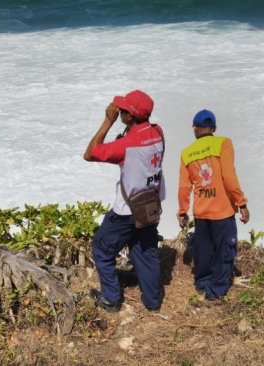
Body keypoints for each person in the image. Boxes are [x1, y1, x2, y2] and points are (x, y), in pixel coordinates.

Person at [83, 90, 165, 312]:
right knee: (145, 251)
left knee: (102, 249)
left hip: (126, 210)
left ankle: (110, 299)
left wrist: (108, 121)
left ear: (130, 116)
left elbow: (90, 153)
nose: (118, 111)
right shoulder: (158, 133)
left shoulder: (126, 146)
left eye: (123, 110)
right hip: (151, 205)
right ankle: (152, 301)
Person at [177, 109, 249, 301]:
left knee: (203, 251)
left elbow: (185, 186)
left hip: (201, 212)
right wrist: (241, 203)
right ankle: (216, 291)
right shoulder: (223, 143)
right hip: (223, 211)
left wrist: (183, 211)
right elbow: (228, 176)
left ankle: (202, 283)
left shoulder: (187, 153)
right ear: (214, 128)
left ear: (195, 129)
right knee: (224, 251)